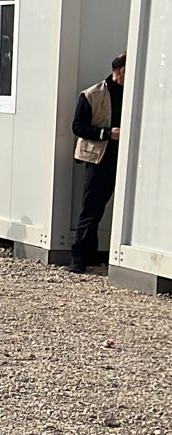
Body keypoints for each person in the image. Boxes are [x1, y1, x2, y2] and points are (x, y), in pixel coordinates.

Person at [68, 53, 126, 272]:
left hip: (124, 159)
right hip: (98, 160)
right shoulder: (93, 94)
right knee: (91, 208)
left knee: (102, 209)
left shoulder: (134, 93)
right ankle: (79, 258)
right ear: (120, 70)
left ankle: (91, 254)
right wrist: (107, 133)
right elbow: (78, 127)